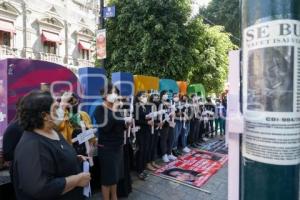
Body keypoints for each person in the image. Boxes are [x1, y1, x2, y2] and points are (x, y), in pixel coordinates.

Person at [13, 91, 91, 200]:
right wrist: (77, 180)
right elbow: (41, 188)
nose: (60, 110)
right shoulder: (32, 146)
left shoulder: (52, 131)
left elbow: (56, 155)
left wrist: (74, 159)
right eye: (56, 107)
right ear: (44, 115)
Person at [93, 83, 131, 200]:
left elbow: (119, 126)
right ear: (104, 95)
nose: (114, 95)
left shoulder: (116, 109)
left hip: (118, 146)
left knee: (115, 177)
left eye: (115, 93)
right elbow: (105, 127)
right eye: (111, 92)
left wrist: (127, 124)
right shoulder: (99, 109)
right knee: (107, 179)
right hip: (106, 148)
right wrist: (114, 111)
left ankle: (114, 196)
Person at [134, 91, 154, 179]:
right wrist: (147, 122)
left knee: (145, 149)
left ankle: (143, 168)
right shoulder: (136, 106)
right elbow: (136, 120)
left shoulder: (146, 106)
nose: (145, 97)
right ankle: (139, 170)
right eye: (143, 96)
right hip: (140, 131)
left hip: (147, 130)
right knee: (141, 150)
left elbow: (147, 116)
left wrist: (151, 117)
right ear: (138, 97)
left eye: (146, 96)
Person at [159, 90, 177, 163]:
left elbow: (172, 112)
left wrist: (173, 114)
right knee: (164, 139)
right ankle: (164, 154)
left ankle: (169, 153)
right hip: (164, 123)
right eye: (165, 94)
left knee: (171, 137)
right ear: (162, 95)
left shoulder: (169, 102)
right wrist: (161, 121)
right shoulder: (160, 103)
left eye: (167, 94)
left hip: (170, 122)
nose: (166, 95)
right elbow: (160, 114)